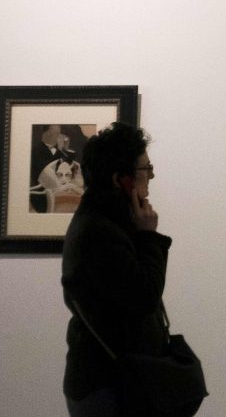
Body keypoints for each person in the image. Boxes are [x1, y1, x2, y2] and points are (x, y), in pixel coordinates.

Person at [61, 122, 170, 416]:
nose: (151, 176)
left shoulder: (106, 222)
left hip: (112, 379)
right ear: (119, 179)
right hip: (106, 386)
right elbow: (145, 296)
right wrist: (148, 235)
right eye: (145, 169)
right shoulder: (98, 231)